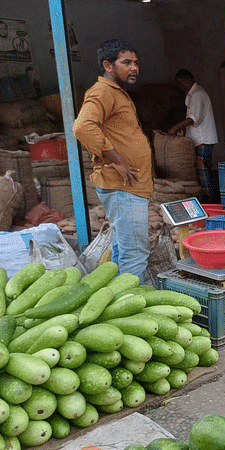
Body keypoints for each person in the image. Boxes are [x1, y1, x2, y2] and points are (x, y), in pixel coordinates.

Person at [73, 39, 153, 281]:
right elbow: (83, 127)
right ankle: (131, 307)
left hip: (128, 187)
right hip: (122, 186)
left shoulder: (116, 93)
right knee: (135, 253)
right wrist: (116, 158)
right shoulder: (103, 91)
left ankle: (117, 302)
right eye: (126, 62)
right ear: (108, 65)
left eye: (136, 63)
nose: (134, 68)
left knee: (122, 249)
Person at [168, 69, 218, 200]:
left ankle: (210, 199)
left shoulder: (197, 95)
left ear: (188, 80)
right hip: (201, 139)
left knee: (202, 168)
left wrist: (175, 127)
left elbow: (193, 119)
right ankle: (209, 196)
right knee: (204, 168)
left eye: (181, 83)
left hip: (203, 139)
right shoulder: (193, 95)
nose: (181, 86)